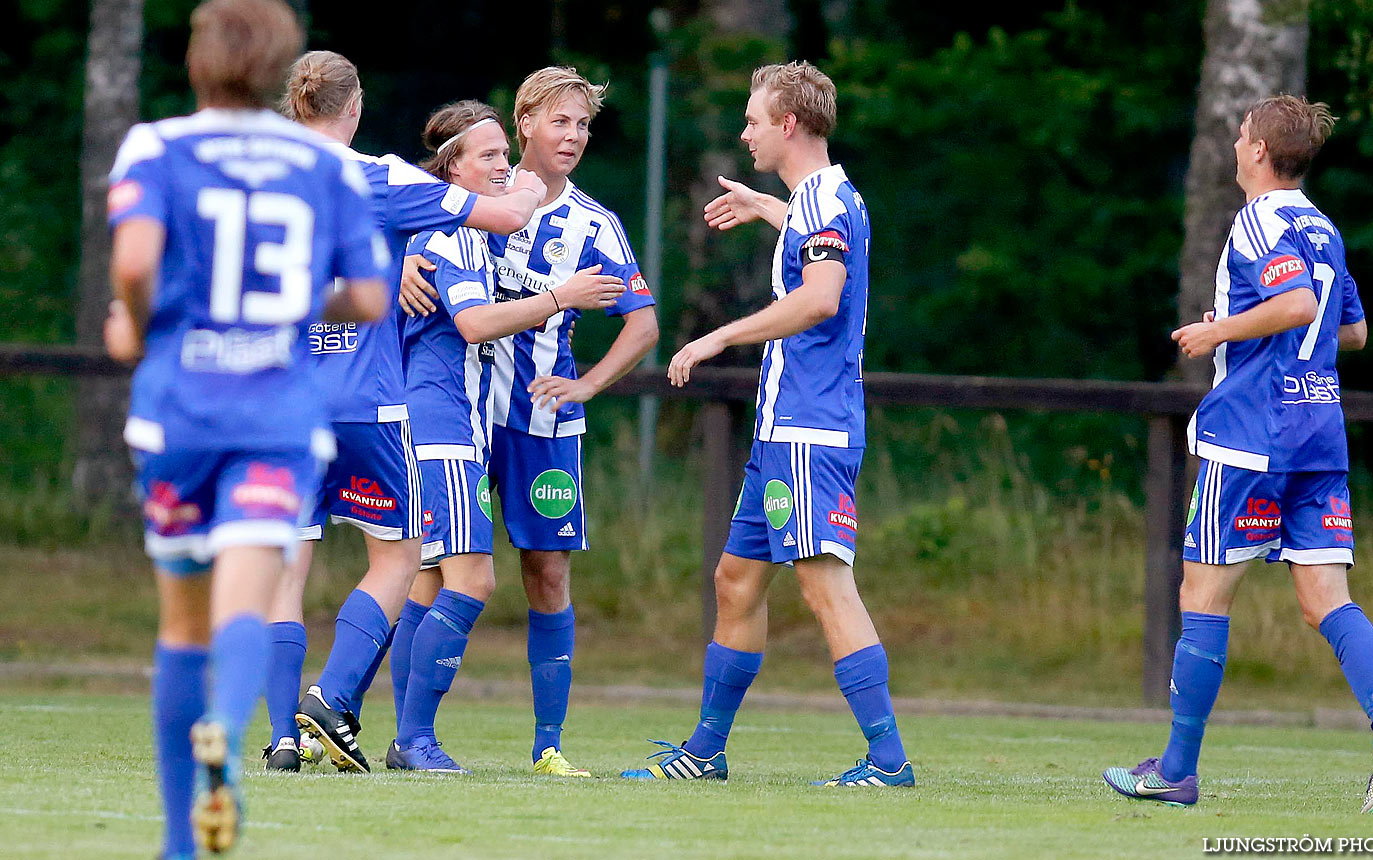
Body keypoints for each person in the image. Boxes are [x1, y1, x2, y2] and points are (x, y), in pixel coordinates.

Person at [103, 0, 388, 853]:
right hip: (276, 416)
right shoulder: (328, 167)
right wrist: (302, 300)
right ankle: (226, 729)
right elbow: (370, 298)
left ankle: (180, 839)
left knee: (182, 624)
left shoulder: (156, 147)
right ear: (281, 69)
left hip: (181, 410)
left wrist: (137, 321)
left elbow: (133, 263)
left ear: (196, 61)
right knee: (244, 600)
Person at [1102, 95, 1373, 813]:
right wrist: (1249, 326)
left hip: (1251, 434)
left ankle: (1177, 771)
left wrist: (1220, 335)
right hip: (1319, 431)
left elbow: (1301, 307)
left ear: (1260, 152)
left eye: (1243, 134)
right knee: (1325, 601)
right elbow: (1355, 330)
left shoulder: (1259, 218)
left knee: (1203, 596)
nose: (1237, 142)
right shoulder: (1322, 226)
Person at [619, 61, 914, 787]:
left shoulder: (825, 203)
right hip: (783, 432)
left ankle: (888, 760)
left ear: (788, 125)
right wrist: (766, 209)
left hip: (811, 431)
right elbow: (820, 252)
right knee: (736, 579)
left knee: (824, 585)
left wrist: (721, 336)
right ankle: (706, 751)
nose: (744, 131)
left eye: (753, 120)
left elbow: (820, 297)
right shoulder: (819, 200)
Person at [262, 50, 547, 775]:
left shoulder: (261, 179)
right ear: (353, 106)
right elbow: (508, 213)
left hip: (283, 402)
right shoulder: (380, 176)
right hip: (367, 402)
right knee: (397, 557)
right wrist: (532, 184)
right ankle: (329, 699)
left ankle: (283, 740)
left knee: (286, 574)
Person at [399, 66, 659, 778]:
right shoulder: (476, 201)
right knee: (434, 574)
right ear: (523, 126)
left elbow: (643, 324)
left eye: (582, 124)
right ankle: (407, 732)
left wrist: (589, 384)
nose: (572, 136)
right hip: (466, 415)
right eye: (559, 122)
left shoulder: (594, 225)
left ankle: (548, 746)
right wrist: (400, 268)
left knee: (546, 574)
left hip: (543, 423)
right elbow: (409, 239)